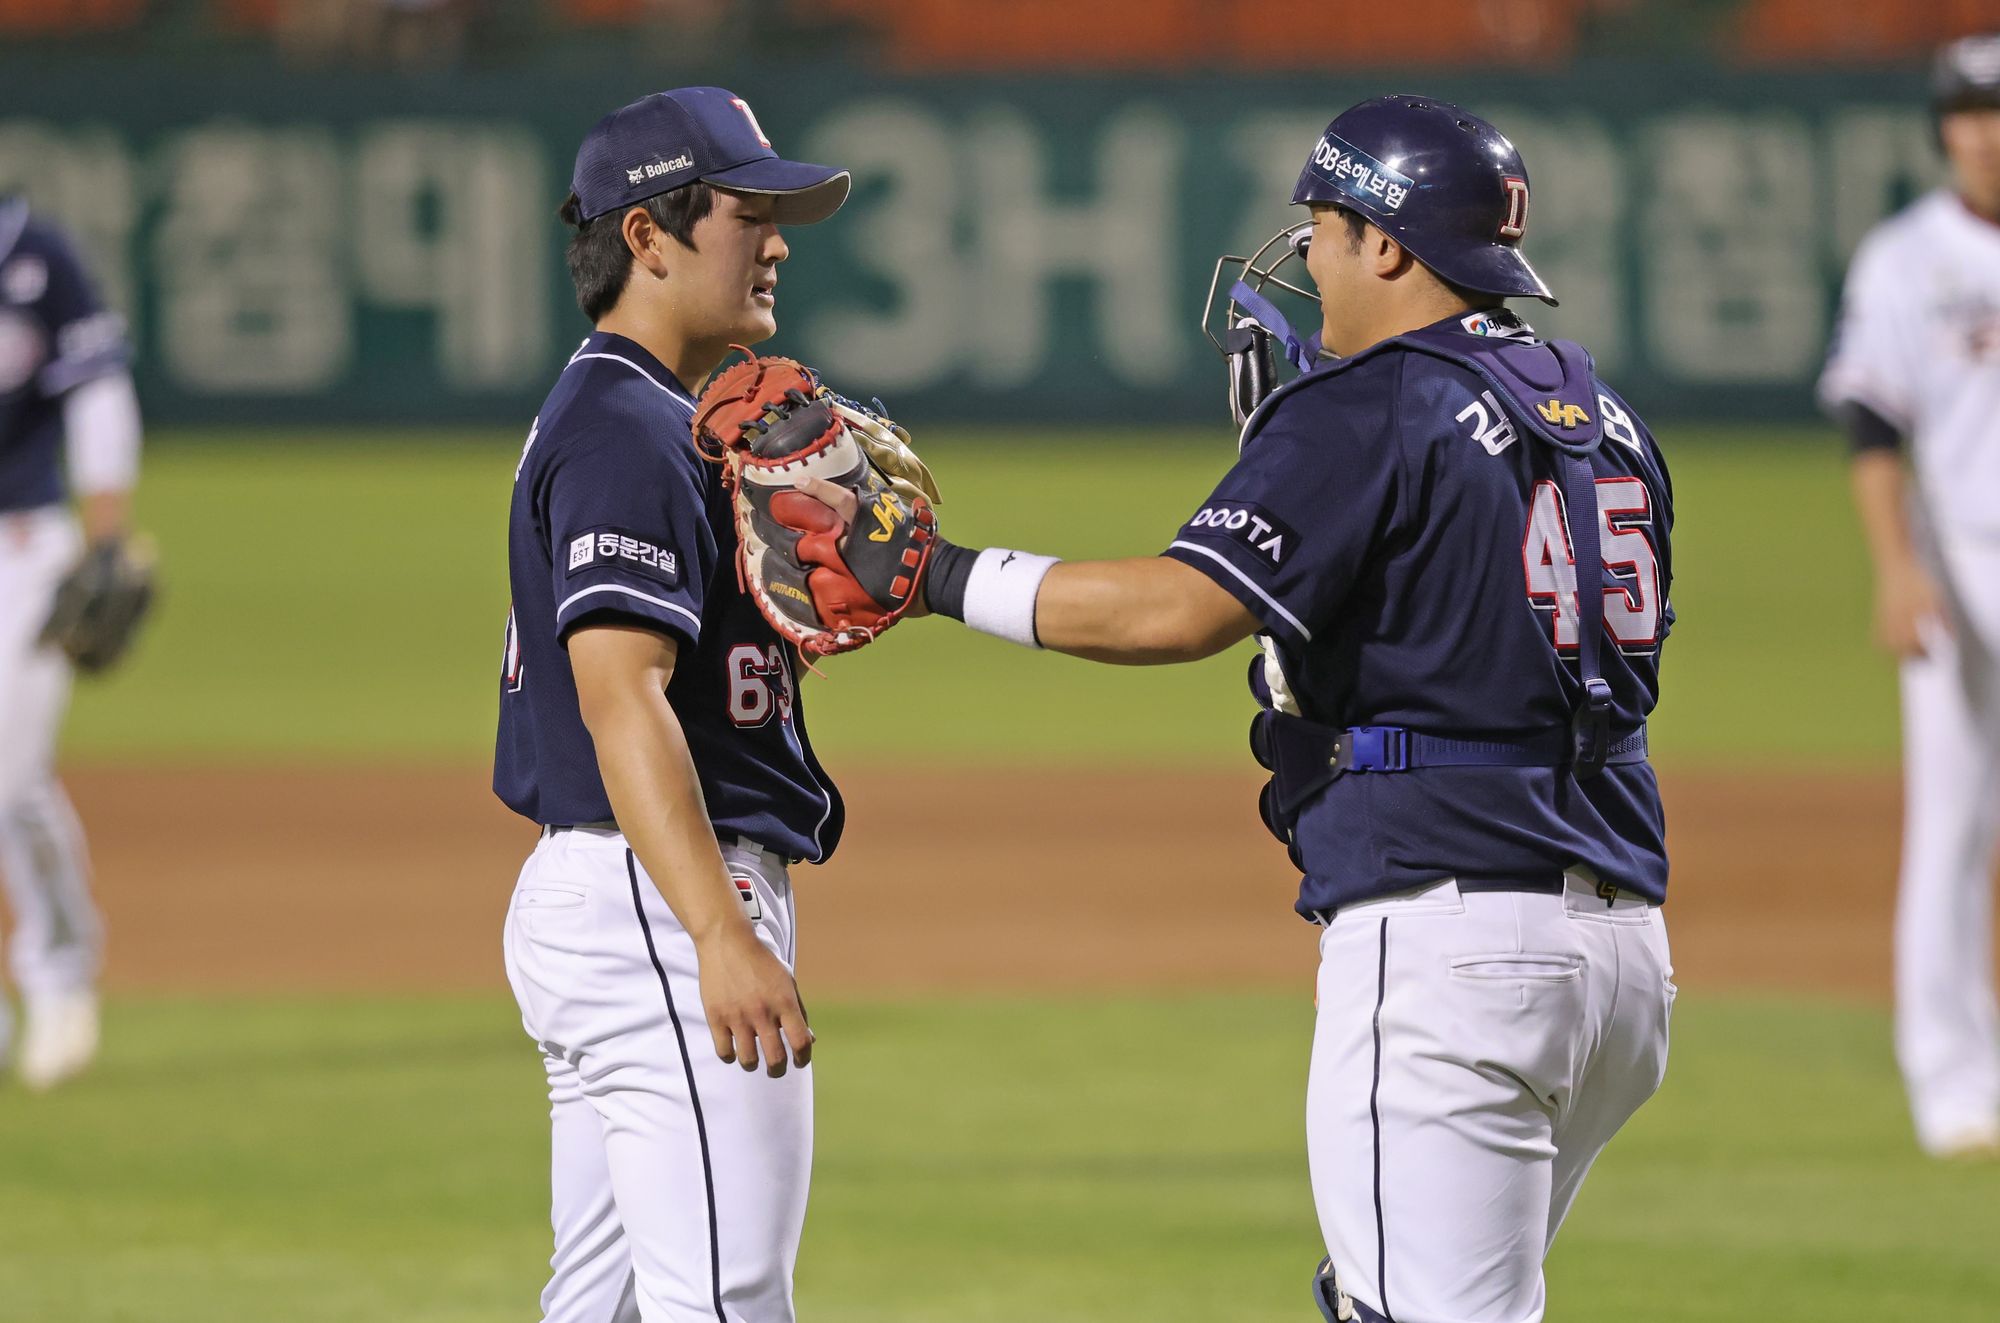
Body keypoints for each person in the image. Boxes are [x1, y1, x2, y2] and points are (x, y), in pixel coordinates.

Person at [823, 95, 1676, 1321]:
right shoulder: (1607, 420)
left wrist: (937, 575)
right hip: (1620, 963)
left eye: (1324, 224)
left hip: (1448, 948)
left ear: (1387, 245)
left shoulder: (1370, 402)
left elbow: (1171, 612)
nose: (1309, 254)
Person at [493, 87, 850, 1321]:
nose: (778, 240)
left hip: (616, 895)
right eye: (750, 211)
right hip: (655, 899)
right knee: (724, 1300)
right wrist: (715, 933)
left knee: (606, 1305)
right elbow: (620, 699)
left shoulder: (650, 416)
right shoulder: (624, 431)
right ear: (648, 235)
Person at [1821, 32, 2000, 1160]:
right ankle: (1950, 1087)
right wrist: (1892, 566)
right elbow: (1872, 425)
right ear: (1941, 130)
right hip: (1957, 565)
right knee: (1949, 825)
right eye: (1966, 114)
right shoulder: (1903, 259)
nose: (1983, 134)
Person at [0, 195, 143, 1092]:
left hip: (25, 545)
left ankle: (58, 974)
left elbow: (98, 392)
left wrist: (107, 535)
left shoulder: (32, 251)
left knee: (10, 777)